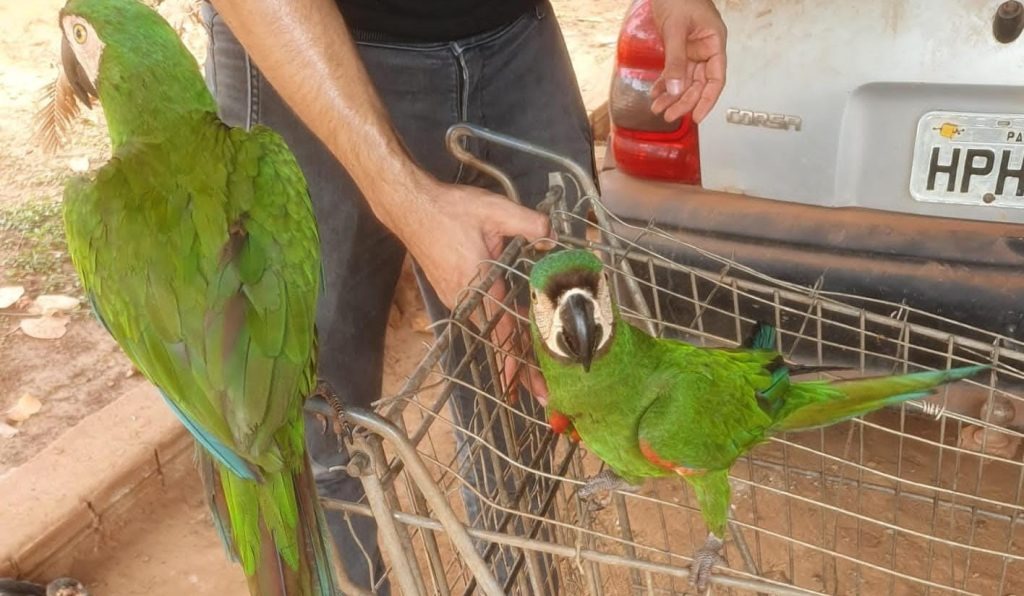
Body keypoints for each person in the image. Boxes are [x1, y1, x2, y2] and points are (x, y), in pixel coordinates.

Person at [200, 0, 726, 592]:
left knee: (531, 407)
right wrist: (404, 196)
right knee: (311, 432)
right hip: (306, 51)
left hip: (513, 38)